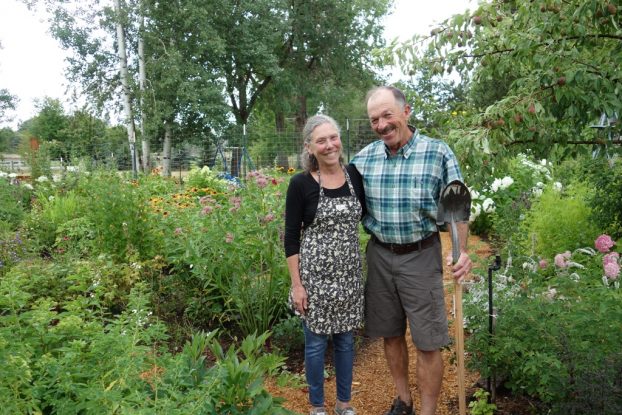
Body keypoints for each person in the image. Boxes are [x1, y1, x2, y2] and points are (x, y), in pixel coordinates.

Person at [350, 86, 472, 415]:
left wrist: (462, 251)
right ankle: (404, 401)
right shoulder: (362, 160)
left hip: (420, 254)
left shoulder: (438, 153)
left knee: (428, 341)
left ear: (406, 112)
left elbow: (457, 208)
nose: (381, 124)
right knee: (389, 333)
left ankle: (428, 410)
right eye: (374, 119)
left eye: (388, 115)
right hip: (379, 255)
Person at [284, 114, 366, 415]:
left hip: (349, 276)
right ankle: (317, 406)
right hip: (315, 279)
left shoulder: (354, 175)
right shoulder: (300, 184)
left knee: (346, 342)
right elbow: (291, 237)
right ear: (310, 147)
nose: (329, 145)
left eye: (333, 137)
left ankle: (344, 404)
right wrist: (297, 285)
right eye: (321, 140)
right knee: (316, 345)